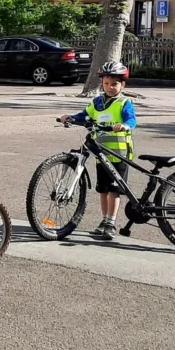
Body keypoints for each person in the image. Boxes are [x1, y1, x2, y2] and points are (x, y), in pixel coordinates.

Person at [57, 61, 136, 241]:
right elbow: (85, 115)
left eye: (114, 84)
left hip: (119, 155)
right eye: (106, 83)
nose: (110, 87)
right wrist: (70, 117)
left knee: (114, 190)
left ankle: (110, 222)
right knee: (103, 189)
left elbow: (131, 120)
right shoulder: (97, 102)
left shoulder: (124, 102)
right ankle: (104, 220)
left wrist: (124, 125)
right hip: (101, 154)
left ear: (122, 85)